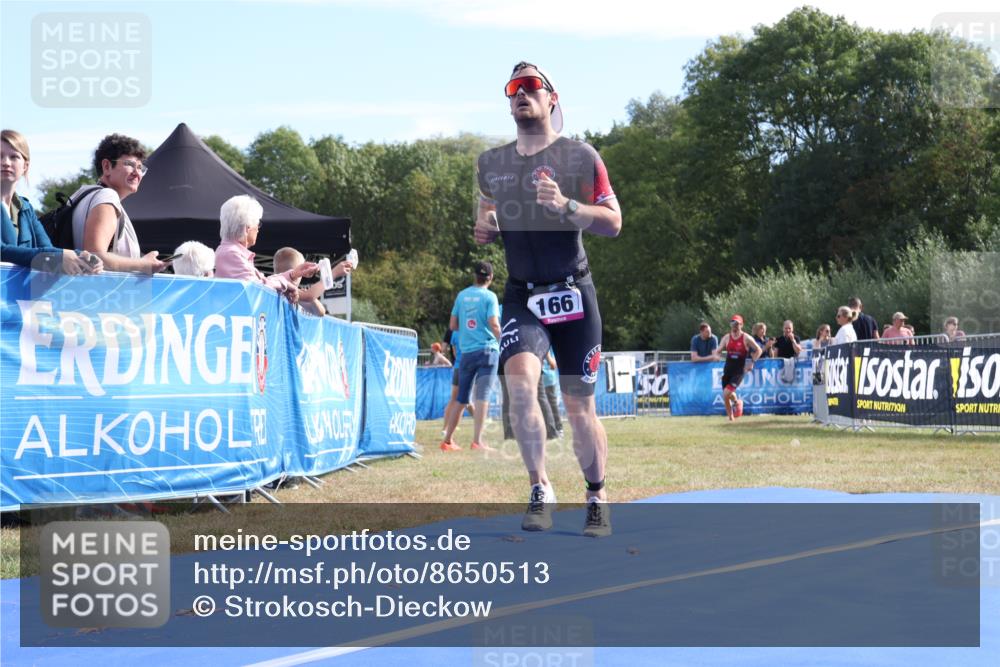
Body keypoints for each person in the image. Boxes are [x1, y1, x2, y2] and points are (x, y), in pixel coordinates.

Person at [474, 62, 622, 537]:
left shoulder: (579, 156)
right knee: (519, 385)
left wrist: (566, 206)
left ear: (552, 98)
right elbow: (486, 213)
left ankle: (596, 495)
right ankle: (540, 486)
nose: (521, 93)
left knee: (580, 408)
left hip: (573, 290)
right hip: (522, 294)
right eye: (513, 88)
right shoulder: (491, 163)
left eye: (531, 85)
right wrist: (484, 227)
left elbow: (613, 222)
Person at [1, 129, 102, 275]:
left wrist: (82, 257)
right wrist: (57, 257)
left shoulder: (26, 208)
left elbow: (47, 247)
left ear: (25, 166)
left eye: (14, 157)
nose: (6, 162)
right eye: (0, 156)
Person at [71, 134, 167, 274]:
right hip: (100, 287)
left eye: (140, 167)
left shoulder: (81, 196)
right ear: (107, 166)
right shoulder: (106, 197)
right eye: (130, 164)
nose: (137, 173)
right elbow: (94, 257)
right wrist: (143, 264)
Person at [440, 260, 501, 452]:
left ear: (474, 276)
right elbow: (494, 323)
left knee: (462, 399)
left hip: (466, 353)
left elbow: (452, 325)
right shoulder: (490, 297)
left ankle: (448, 441)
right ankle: (477, 442)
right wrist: (503, 340)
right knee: (482, 396)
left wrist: (468, 329)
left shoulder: (462, 295)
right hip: (487, 350)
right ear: (490, 277)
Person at [215, 196, 320, 303]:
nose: (258, 229)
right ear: (247, 229)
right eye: (258, 224)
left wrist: (293, 274)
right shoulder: (230, 253)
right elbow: (258, 288)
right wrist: (285, 283)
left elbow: (262, 282)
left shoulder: (230, 252)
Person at [273, 246, 352, 316]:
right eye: (302, 270)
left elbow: (321, 312)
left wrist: (310, 297)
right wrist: (333, 274)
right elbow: (309, 296)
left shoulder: (293, 292)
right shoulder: (283, 288)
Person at [713, 315, 763, 422]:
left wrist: (752, 361)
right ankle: (736, 405)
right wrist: (717, 356)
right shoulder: (726, 337)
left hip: (739, 371)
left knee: (726, 394)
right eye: (733, 324)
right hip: (727, 370)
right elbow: (718, 350)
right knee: (728, 394)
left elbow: (759, 350)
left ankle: (731, 418)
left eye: (737, 324)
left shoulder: (746, 338)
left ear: (741, 325)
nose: (734, 326)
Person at [541, 349, 564, 439]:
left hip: (547, 376)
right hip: (544, 376)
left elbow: (553, 362)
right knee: (549, 405)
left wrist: (550, 360)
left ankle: (558, 429)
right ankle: (554, 429)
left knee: (551, 405)